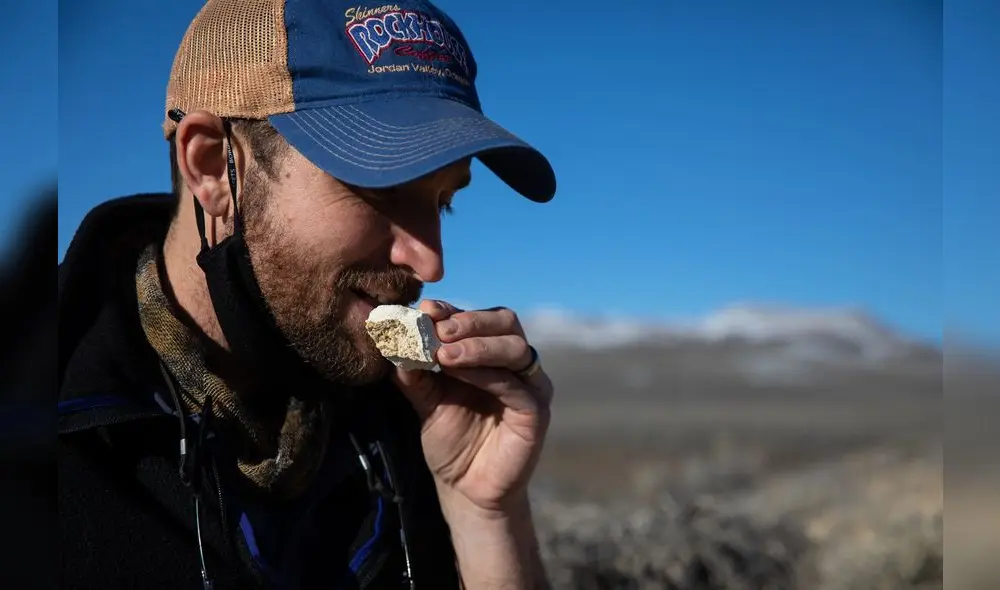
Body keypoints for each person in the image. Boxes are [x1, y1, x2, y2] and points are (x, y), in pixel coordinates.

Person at [57, 0, 558, 588]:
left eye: (443, 201)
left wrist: (484, 512)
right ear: (214, 166)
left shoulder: (413, 422)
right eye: (383, 186)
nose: (431, 260)